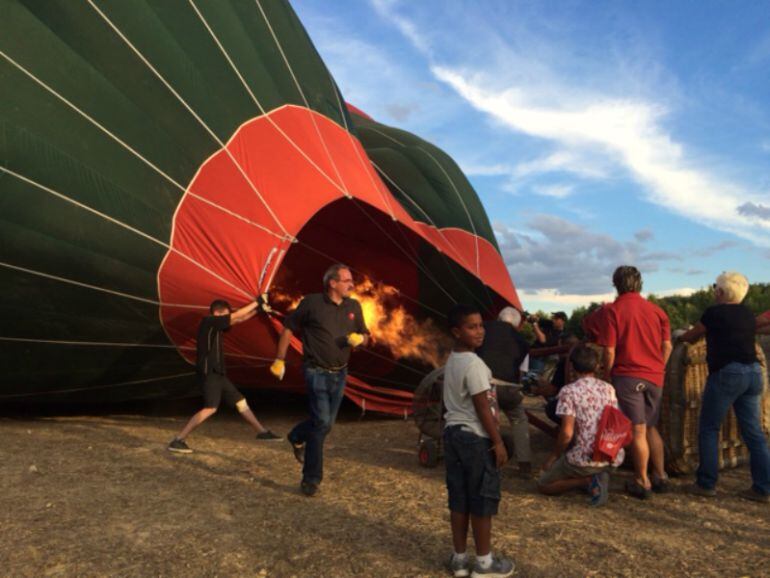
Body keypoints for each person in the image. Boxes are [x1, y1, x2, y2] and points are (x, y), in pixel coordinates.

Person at [270, 264, 369, 497]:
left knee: (324, 424)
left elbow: (365, 333)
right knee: (322, 423)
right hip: (316, 372)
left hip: (341, 373)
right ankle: (311, 478)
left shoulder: (354, 306)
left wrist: (360, 339)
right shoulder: (312, 303)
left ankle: (296, 436)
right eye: (346, 280)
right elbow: (288, 328)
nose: (351, 284)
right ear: (332, 283)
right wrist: (279, 359)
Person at [679, 272, 770, 503]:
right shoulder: (749, 315)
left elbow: (691, 336)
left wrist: (678, 337)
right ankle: (763, 487)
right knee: (754, 433)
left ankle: (706, 483)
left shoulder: (713, 313)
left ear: (720, 292)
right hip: (753, 373)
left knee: (709, 428)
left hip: (727, 373)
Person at [443, 304, 514, 578]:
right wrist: (497, 442)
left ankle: (459, 560)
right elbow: (482, 406)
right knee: (482, 500)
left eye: (481, 325)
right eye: (471, 327)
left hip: (453, 435)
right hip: (475, 439)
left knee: (459, 499)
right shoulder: (474, 364)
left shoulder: (453, 359)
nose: (479, 331)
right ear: (456, 331)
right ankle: (484, 564)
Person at [168, 299, 281, 453]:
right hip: (210, 372)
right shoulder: (209, 321)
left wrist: (258, 310)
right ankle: (178, 440)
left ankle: (262, 432)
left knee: (241, 402)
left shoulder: (215, 326)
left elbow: (239, 318)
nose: (230, 318)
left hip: (219, 373)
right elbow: (238, 315)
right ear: (218, 313)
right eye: (227, 314)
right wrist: (258, 301)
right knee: (211, 408)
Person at [598, 266, 672, 499]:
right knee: (650, 427)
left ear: (616, 284)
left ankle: (642, 480)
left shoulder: (613, 311)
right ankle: (660, 475)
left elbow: (609, 351)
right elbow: (667, 346)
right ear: (640, 283)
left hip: (628, 375)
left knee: (637, 430)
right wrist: (659, 366)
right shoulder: (657, 311)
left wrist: (607, 375)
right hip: (655, 376)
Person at [537, 345, 624, 507]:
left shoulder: (569, 391)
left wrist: (553, 457)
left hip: (584, 460)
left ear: (572, 366)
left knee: (544, 484)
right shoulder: (608, 389)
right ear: (597, 365)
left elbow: (567, 434)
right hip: (611, 456)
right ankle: (598, 477)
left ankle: (587, 481)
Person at [476, 306, 532, 475]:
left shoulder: (482, 330)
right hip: (510, 388)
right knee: (519, 419)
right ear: (516, 325)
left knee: (482, 419)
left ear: (498, 318)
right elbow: (522, 373)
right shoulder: (522, 341)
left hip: (485, 386)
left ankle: (483, 460)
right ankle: (525, 465)